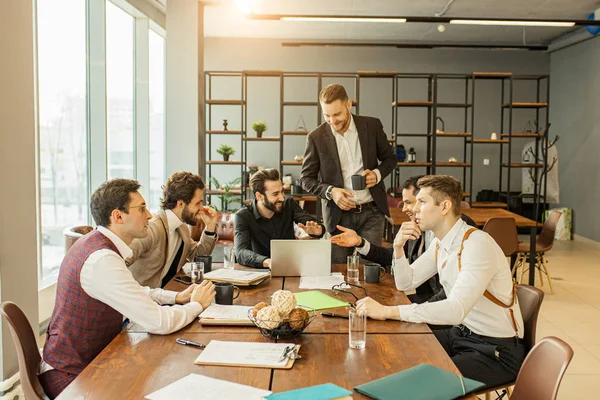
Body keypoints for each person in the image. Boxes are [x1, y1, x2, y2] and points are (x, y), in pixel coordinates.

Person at [39, 179, 216, 399]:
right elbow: (159, 322)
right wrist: (197, 304)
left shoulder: (97, 246)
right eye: (141, 209)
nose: (150, 215)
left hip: (92, 361)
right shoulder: (102, 260)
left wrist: (176, 297)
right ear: (118, 216)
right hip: (73, 376)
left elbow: (133, 290)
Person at [355, 175, 525, 389]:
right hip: (462, 333)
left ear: (444, 206)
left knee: (421, 384)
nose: (415, 209)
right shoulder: (440, 243)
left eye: (422, 202)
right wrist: (398, 249)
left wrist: (388, 311)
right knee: (397, 348)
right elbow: (406, 283)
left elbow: (455, 310)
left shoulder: (476, 245)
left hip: (496, 351)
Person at [331, 175, 476, 303]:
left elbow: (453, 294)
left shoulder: (462, 232)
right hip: (421, 298)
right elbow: (392, 258)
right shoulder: (418, 227)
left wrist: (416, 311)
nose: (405, 208)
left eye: (413, 202)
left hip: (442, 308)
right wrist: (360, 242)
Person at [301, 84, 397, 263]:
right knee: (338, 273)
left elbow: (390, 159)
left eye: (336, 114)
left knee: (370, 271)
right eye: (326, 115)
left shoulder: (372, 125)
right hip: (338, 217)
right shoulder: (315, 137)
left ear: (348, 105)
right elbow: (306, 179)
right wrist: (331, 192)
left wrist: (376, 174)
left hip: (372, 213)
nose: (332, 121)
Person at [127, 172, 218, 288]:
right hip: (144, 300)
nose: (201, 208)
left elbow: (199, 256)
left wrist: (210, 227)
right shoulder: (152, 228)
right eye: (198, 203)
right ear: (180, 203)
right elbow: (119, 263)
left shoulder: (181, 227)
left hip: (166, 295)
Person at [234, 168, 325, 269]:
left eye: (282, 192)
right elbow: (241, 252)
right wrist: (268, 262)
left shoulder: (289, 204)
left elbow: (313, 225)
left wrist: (317, 231)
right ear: (259, 196)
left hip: (291, 268)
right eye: (275, 194)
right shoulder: (243, 216)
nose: (282, 198)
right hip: (258, 271)